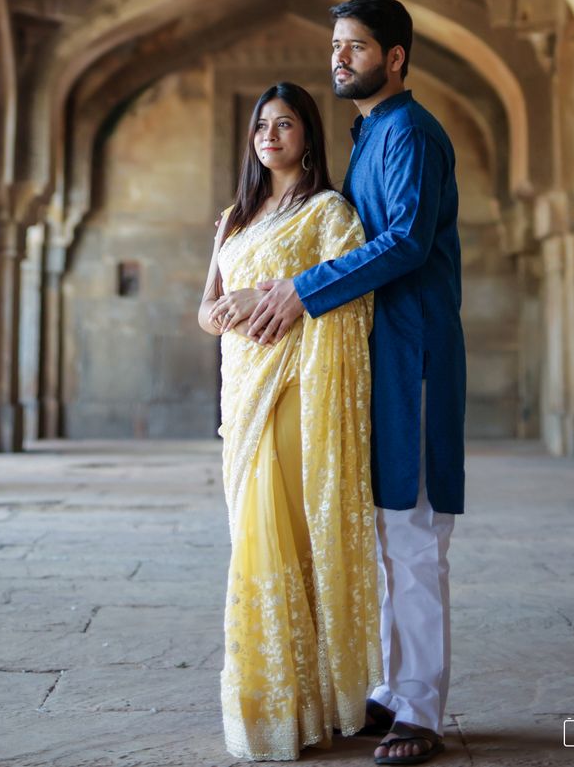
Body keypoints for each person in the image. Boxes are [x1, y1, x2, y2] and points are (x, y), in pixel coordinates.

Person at [245, 0, 466, 766]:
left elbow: (404, 240)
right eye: (336, 45)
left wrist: (302, 289)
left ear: (396, 56)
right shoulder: (370, 133)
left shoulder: (408, 132)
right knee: (381, 530)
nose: (340, 57)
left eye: (358, 46)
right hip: (376, 362)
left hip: (418, 356)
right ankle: (394, 686)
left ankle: (422, 708)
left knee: (413, 536)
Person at [199, 81, 381, 762]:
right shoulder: (233, 218)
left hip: (298, 391)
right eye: (261, 125)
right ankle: (289, 695)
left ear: (308, 134)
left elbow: (352, 295)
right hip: (241, 395)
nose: (269, 134)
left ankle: (293, 702)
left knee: (282, 537)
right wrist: (222, 312)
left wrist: (287, 302)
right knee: (253, 527)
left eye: (284, 123)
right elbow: (205, 307)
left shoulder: (329, 211)